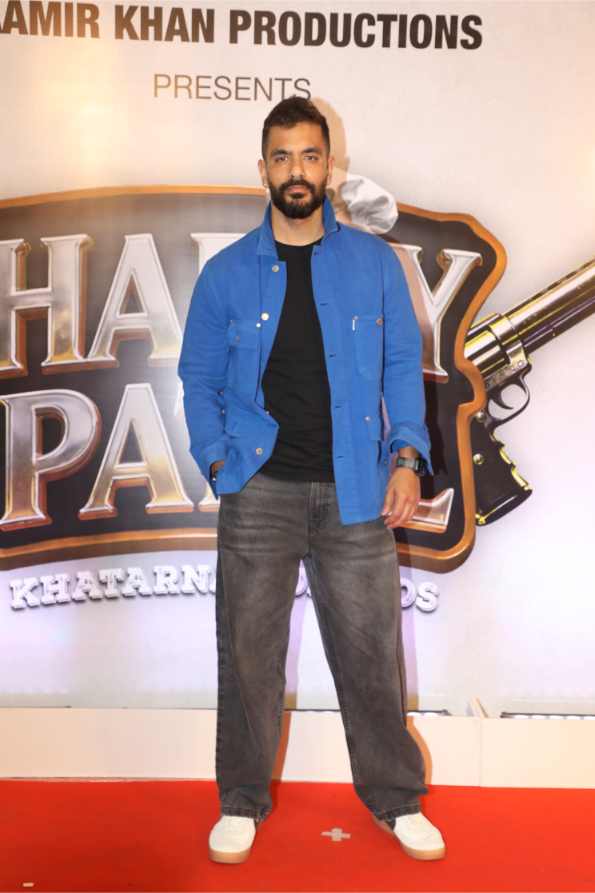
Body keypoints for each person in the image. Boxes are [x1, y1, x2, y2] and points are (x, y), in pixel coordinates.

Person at [178, 96, 445, 864]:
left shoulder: (374, 263)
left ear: (330, 166)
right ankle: (240, 800)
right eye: (282, 157)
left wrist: (405, 457)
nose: (296, 170)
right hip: (258, 491)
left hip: (356, 492)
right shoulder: (227, 274)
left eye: (309, 155)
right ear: (262, 169)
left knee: (371, 657)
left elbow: (402, 368)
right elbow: (197, 378)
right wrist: (219, 460)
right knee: (248, 658)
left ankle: (396, 799)